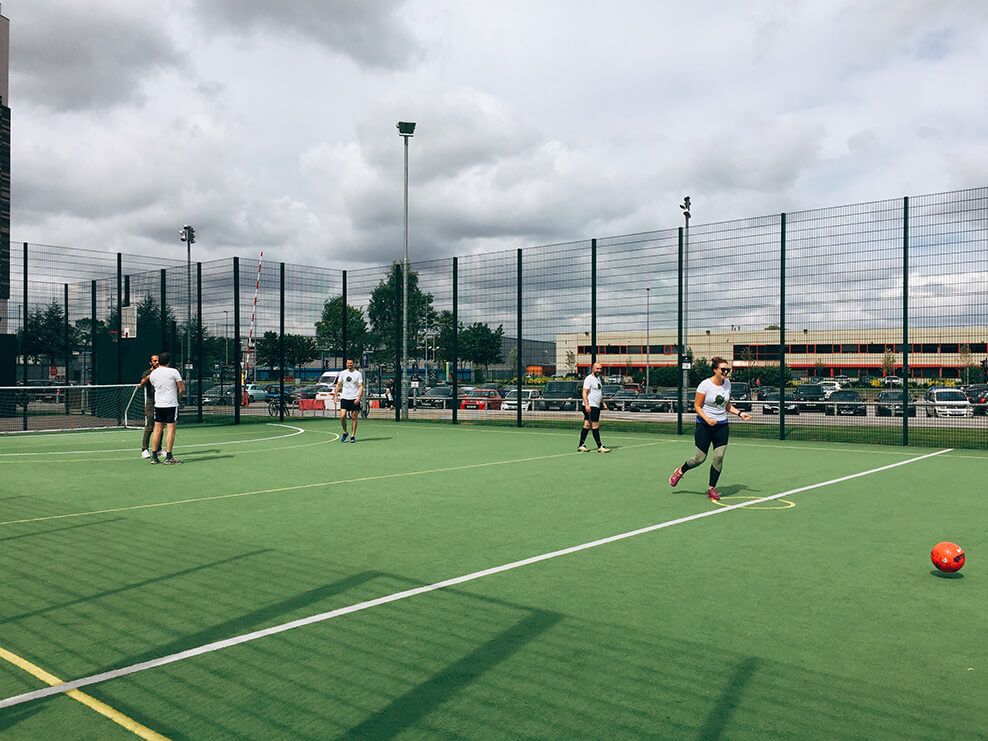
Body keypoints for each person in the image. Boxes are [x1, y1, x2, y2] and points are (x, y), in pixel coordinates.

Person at [668, 356, 751, 500]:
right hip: (704, 426)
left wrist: (740, 413)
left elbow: (727, 405)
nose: (726, 372)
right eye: (723, 369)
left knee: (719, 457)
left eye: (728, 370)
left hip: (722, 426)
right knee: (699, 459)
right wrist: (707, 419)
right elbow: (697, 406)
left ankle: (712, 488)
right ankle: (680, 471)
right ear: (715, 370)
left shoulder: (727, 384)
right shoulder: (705, 385)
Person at [148, 351, 185, 465]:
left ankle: (154, 456)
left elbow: (154, 386)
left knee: (157, 429)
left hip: (159, 404)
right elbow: (182, 389)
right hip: (171, 404)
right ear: (169, 361)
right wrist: (178, 397)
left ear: (159, 361)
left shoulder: (153, 374)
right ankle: (169, 457)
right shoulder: (174, 372)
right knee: (171, 429)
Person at [578, 361, 610, 453]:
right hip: (590, 406)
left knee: (587, 424)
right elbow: (584, 392)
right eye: (597, 368)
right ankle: (600, 446)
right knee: (595, 425)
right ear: (593, 369)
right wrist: (587, 405)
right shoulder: (589, 379)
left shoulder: (598, 378)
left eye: (600, 369)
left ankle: (581, 445)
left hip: (596, 405)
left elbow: (599, 392)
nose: (599, 370)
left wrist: (603, 403)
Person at [335, 358, 364, 443]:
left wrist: (358, 397)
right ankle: (345, 432)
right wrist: (335, 395)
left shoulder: (358, 374)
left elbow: (361, 387)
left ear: (353, 364)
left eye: (351, 363)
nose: (349, 365)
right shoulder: (342, 373)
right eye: (348, 363)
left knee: (354, 417)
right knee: (342, 415)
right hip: (344, 398)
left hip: (354, 398)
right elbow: (338, 384)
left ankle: (353, 435)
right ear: (346, 364)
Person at [138, 353, 159, 459]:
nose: (157, 362)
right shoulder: (147, 372)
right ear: (150, 362)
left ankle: (159, 449)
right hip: (151, 402)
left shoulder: (162, 372)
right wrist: (148, 377)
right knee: (150, 425)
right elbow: (141, 384)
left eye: (158, 360)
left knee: (159, 426)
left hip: (161, 402)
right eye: (154, 361)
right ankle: (144, 449)